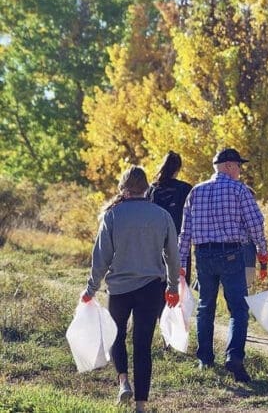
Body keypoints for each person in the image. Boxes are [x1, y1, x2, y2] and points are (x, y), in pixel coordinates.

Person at [81, 166, 180, 413]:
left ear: (123, 187)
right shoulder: (162, 215)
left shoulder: (113, 216)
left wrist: (91, 288)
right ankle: (141, 405)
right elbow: (172, 256)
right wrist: (172, 287)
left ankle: (123, 381)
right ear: (146, 187)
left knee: (117, 336)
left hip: (119, 288)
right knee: (143, 345)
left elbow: (100, 257)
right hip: (151, 288)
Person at [179, 148, 268, 382]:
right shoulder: (238, 189)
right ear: (229, 165)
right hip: (232, 254)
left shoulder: (195, 192)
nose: (240, 170)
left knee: (205, 306)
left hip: (203, 256)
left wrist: (180, 263)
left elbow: (185, 232)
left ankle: (205, 358)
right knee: (239, 309)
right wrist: (262, 252)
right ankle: (234, 357)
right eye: (239, 166)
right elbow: (256, 224)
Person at [146, 151, 193, 282]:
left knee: (156, 285)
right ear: (178, 169)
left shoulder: (151, 190)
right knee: (179, 286)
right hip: (180, 244)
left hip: (154, 244)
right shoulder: (186, 189)